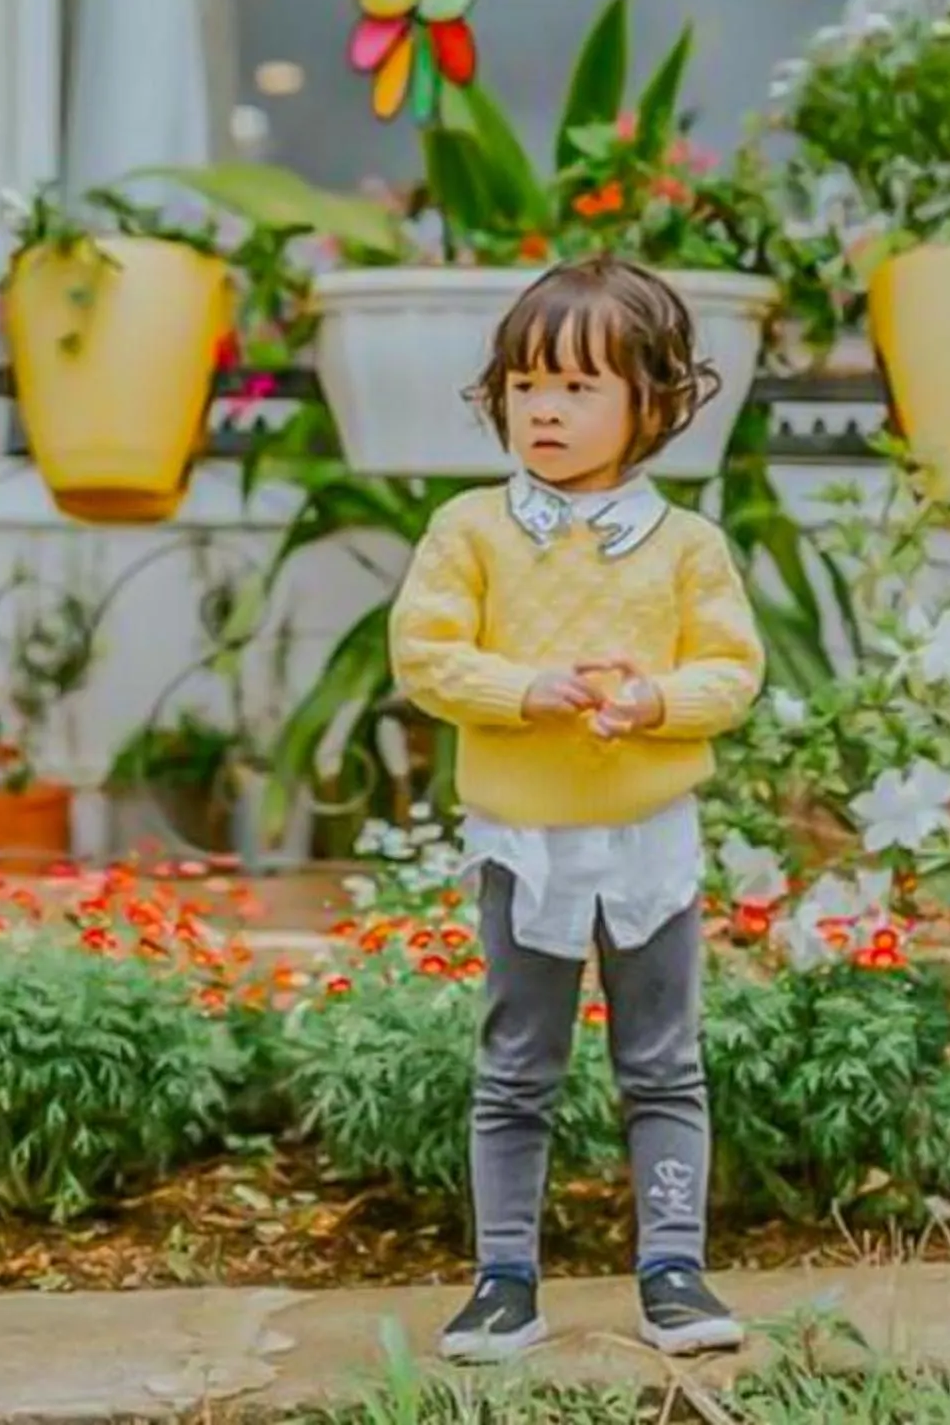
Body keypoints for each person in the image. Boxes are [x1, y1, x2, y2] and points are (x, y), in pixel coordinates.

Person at [388, 255, 765, 1363]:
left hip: (649, 843)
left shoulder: (689, 545)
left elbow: (730, 675)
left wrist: (654, 700)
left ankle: (673, 1272)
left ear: (650, 402)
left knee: (663, 1062)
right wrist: (521, 690)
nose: (544, 407)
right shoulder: (469, 530)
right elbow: (425, 654)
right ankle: (504, 1277)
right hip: (525, 847)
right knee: (515, 1066)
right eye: (526, 383)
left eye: (579, 385)